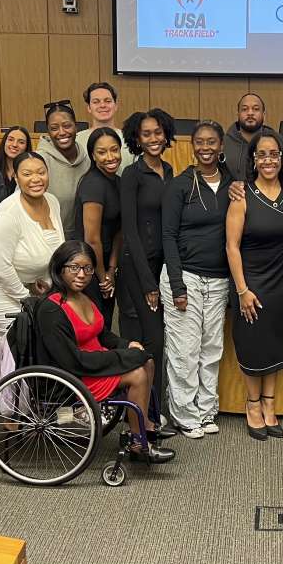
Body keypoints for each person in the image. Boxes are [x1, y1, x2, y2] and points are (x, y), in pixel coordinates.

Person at [35, 241, 175, 463]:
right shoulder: (52, 309)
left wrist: (126, 345)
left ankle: (145, 426)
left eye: (88, 269)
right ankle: (139, 445)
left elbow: (101, 335)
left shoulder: (83, 297)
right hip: (77, 374)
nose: (82, 274)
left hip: (95, 362)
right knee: (137, 374)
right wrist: (121, 357)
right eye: (74, 267)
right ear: (60, 268)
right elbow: (72, 360)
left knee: (146, 361)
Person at [226, 131, 283, 441]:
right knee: (253, 345)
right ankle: (252, 406)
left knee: (274, 343)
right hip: (251, 283)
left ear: (281, 159)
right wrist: (242, 290)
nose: (268, 159)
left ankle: (270, 405)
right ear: (253, 159)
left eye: (274, 154)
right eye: (262, 154)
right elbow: (232, 246)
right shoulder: (242, 195)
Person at [162, 121, 233, 438]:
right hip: (185, 277)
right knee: (184, 351)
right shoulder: (180, 185)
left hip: (218, 280)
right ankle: (184, 414)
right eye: (200, 142)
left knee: (211, 348)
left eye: (212, 142)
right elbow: (168, 237)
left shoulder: (233, 184)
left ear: (221, 146)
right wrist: (177, 286)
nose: (206, 148)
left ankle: (206, 411)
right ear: (192, 146)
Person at [119, 108, 176, 423]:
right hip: (137, 270)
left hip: (163, 267)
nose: (153, 139)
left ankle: (154, 411)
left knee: (159, 341)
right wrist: (148, 285)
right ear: (137, 140)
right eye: (146, 134)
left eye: (158, 133)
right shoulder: (132, 175)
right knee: (147, 341)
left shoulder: (169, 169)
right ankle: (143, 416)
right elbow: (130, 233)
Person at [0, 151, 63, 349]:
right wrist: (26, 299)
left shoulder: (52, 201)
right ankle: (8, 381)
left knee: (41, 342)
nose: (36, 179)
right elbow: (3, 267)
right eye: (27, 174)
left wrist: (47, 284)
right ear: (16, 178)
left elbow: (54, 250)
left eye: (41, 172)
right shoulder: (8, 212)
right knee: (18, 347)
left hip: (30, 287)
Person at [71, 127, 124, 326]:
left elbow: (120, 230)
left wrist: (112, 268)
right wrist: (102, 277)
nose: (110, 157)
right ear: (93, 155)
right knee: (92, 328)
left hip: (106, 264)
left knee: (104, 326)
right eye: (102, 152)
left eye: (114, 150)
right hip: (87, 267)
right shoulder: (93, 183)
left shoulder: (119, 182)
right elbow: (92, 238)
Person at [37, 100, 91, 233]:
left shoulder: (88, 159)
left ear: (76, 127)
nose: (61, 132)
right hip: (49, 239)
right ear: (48, 131)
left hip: (83, 239)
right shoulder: (38, 161)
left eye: (67, 126)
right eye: (54, 128)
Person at [76, 82, 135, 169]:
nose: (103, 105)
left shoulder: (130, 138)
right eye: (96, 102)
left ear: (115, 106)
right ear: (89, 107)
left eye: (108, 101)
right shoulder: (77, 140)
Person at [224, 92, 276, 183]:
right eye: (244, 109)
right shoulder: (224, 143)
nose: (250, 113)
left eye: (256, 109)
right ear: (238, 114)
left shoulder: (275, 143)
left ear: (264, 114)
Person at [0, 125, 31, 196]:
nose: (14, 144)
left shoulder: (31, 173)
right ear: (4, 142)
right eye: (10, 140)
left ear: (26, 147)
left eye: (21, 142)